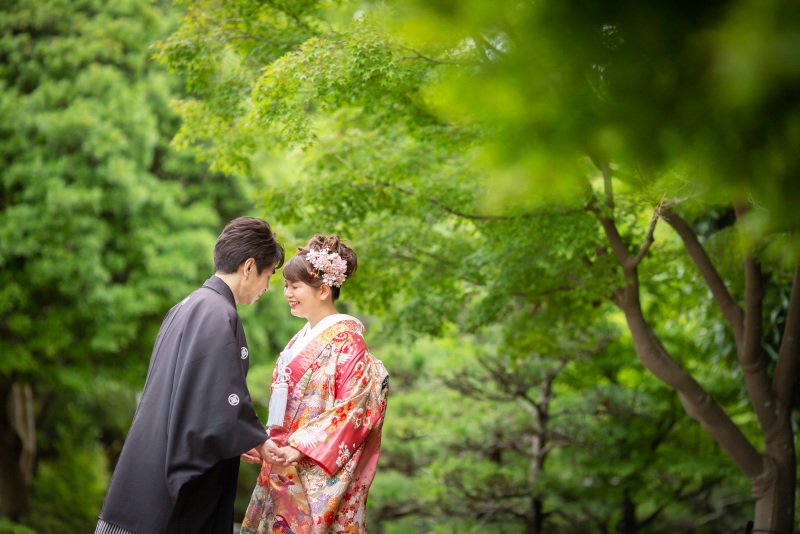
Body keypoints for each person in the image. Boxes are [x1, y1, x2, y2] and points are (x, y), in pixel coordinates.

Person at [95, 217, 286, 534]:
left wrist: (233, 435)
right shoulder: (218, 314)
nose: (267, 287)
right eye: (269, 276)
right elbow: (221, 396)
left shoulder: (186, 306)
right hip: (166, 507)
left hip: (144, 474)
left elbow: (193, 399)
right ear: (249, 267)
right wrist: (258, 440)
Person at [240, 235, 389, 534]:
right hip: (284, 465)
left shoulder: (349, 344)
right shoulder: (300, 340)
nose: (286, 293)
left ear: (323, 290)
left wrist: (300, 447)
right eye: (285, 285)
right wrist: (266, 441)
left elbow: (354, 410)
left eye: (295, 286)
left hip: (310, 472)